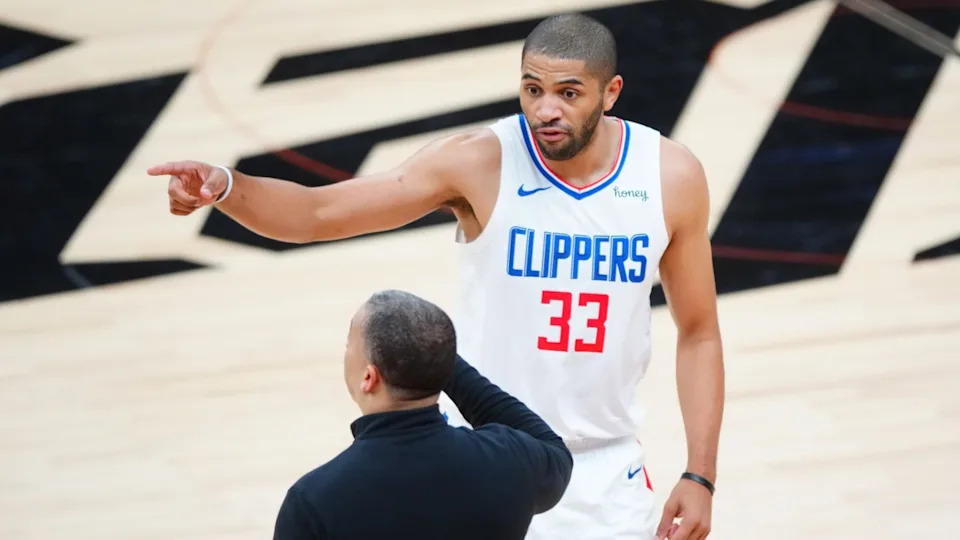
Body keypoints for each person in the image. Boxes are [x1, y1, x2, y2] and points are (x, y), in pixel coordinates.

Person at [150, 13, 724, 540]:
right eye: (533, 89)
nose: (546, 109)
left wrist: (700, 475)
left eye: (568, 93)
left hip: (605, 470)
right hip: (488, 461)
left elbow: (698, 330)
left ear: (610, 92)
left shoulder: (668, 176)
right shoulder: (478, 161)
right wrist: (225, 186)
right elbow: (319, 212)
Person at [272, 289, 573, 540]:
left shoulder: (314, 502)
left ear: (369, 378)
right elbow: (553, 448)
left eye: (349, 344)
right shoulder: (511, 461)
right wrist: (434, 356)